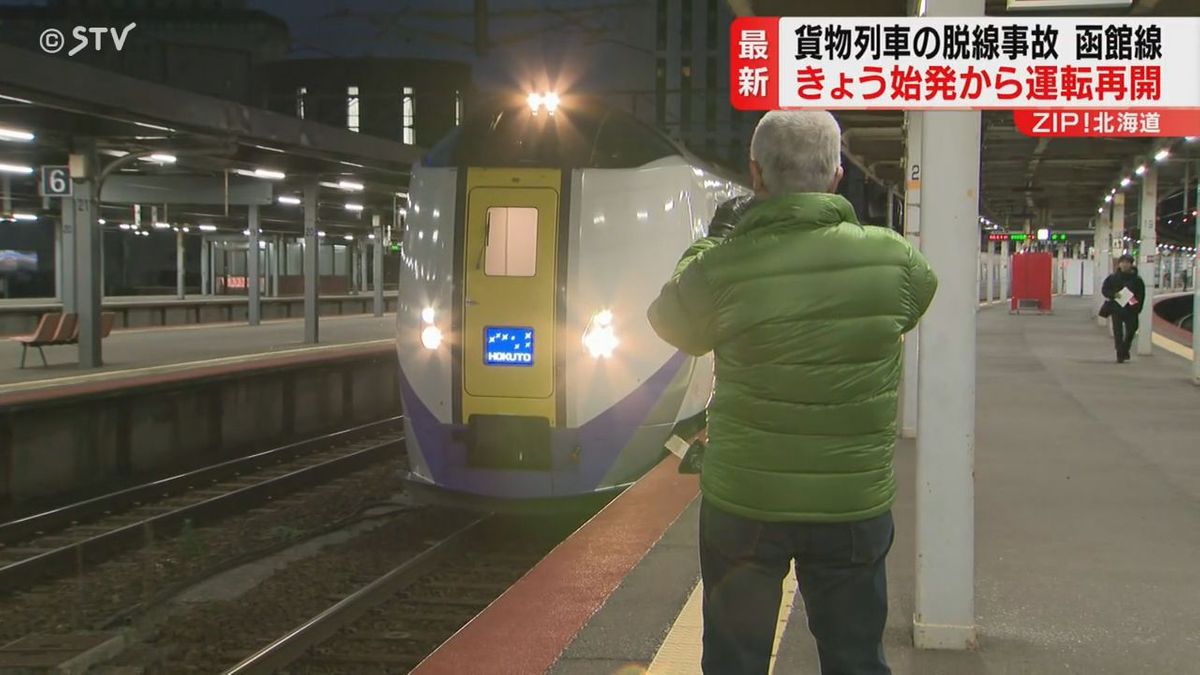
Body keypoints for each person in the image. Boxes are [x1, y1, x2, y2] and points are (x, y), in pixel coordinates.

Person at [646, 110, 938, 675]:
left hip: (745, 502)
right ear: (836, 177)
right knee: (855, 657)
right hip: (851, 502)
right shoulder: (894, 260)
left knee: (736, 659)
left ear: (755, 176)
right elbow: (916, 299)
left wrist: (712, 242)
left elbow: (671, 321)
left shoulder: (724, 266)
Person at [1100, 253, 1146, 363]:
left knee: (1132, 330)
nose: (1125, 265)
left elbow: (1141, 294)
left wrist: (1137, 306)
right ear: (1119, 264)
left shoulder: (1137, 280)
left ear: (1131, 265)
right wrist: (1114, 295)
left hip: (1131, 308)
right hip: (1117, 308)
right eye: (1123, 262)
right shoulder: (1112, 278)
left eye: (1127, 263)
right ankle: (1120, 354)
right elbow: (1105, 290)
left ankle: (1124, 348)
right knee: (1118, 332)